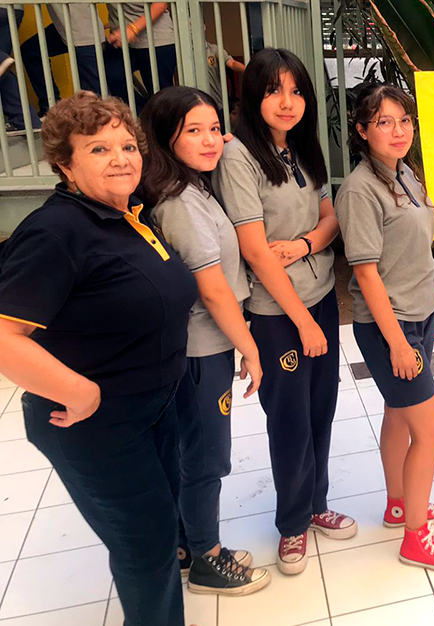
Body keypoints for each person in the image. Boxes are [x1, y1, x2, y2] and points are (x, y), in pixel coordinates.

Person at [0, 91, 195, 624]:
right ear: (65, 163)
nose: (120, 159)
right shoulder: (56, 231)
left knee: (157, 531)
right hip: (94, 422)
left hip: (153, 407)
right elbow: (4, 336)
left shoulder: (124, 214)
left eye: (127, 146)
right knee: (145, 543)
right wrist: (79, 391)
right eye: (99, 149)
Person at [213, 48, 355, 576]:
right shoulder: (239, 157)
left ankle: (315, 505)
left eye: (296, 91)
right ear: (253, 96)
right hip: (279, 314)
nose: (287, 102)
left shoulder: (301, 147)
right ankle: (292, 524)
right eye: (274, 90)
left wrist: (302, 244)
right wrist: (302, 322)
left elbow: (331, 217)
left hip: (318, 296)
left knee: (321, 407)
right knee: (290, 419)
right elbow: (252, 248)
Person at [141, 86, 270, 594]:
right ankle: (208, 559)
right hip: (201, 347)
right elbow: (213, 290)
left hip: (201, 342)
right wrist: (252, 348)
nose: (211, 139)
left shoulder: (191, 186)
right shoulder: (181, 201)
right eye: (193, 130)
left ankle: (185, 544)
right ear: (164, 136)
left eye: (215, 128)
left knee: (186, 449)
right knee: (205, 456)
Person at [337, 83, 434, 573]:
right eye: (384, 121)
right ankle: (416, 537)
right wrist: (397, 342)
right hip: (386, 326)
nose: (397, 131)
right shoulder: (359, 189)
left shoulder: (407, 174)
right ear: (362, 130)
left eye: (404, 120)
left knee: (399, 413)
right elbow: (367, 272)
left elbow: (420, 250)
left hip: (417, 315)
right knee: (430, 430)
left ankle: (399, 504)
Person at [105, 3, 177, 109]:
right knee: (109, 80)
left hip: (156, 40)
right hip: (119, 39)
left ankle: (153, 118)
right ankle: (144, 116)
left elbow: (161, 3)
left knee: (161, 98)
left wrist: (132, 29)